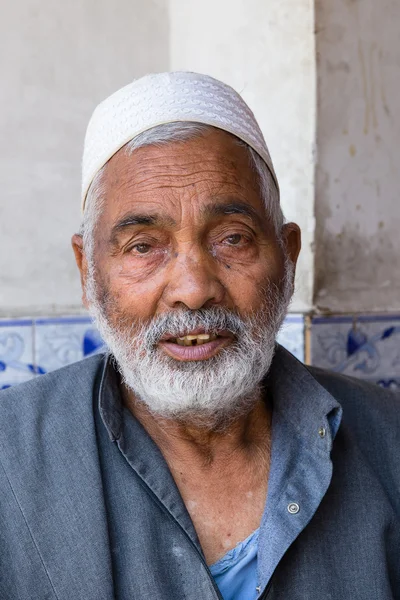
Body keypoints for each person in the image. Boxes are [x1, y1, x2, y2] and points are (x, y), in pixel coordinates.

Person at [0, 72, 399, 600]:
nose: (193, 290)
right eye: (144, 246)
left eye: (232, 238)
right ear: (87, 271)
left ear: (288, 256)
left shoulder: (389, 442)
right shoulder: (10, 458)